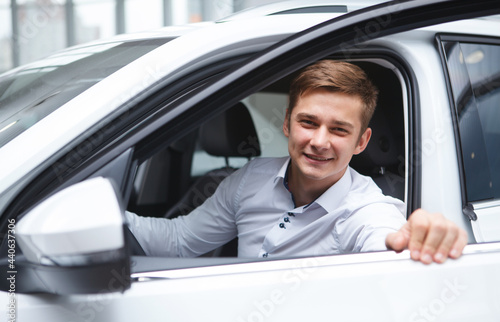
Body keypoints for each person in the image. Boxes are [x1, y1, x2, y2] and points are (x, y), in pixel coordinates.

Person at [127, 60, 467, 264]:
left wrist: (417, 236)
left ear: (361, 141)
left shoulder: (366, 210)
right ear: (287, 122)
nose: (319, 141)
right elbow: (180, 241)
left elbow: (388, 237)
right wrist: (99, 217)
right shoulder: (250, 178)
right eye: (308, 123)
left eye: (338, 130)